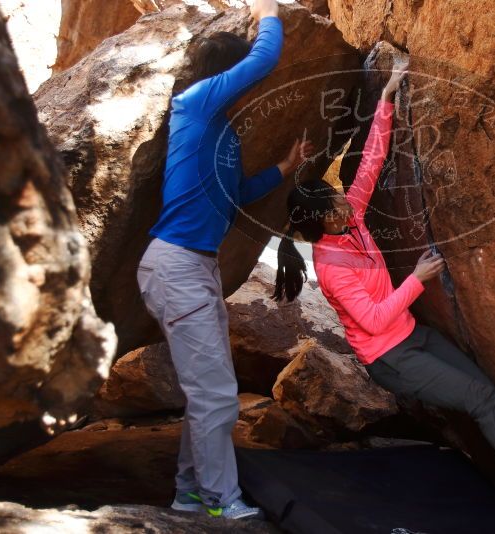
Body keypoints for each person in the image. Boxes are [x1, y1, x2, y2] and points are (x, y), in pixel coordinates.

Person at [272, 64, 495, 519]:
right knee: (482, 400)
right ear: (325, 221)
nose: (343, 198)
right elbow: (371, 320)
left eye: (336, 194)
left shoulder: (349, 219)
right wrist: (418, 278)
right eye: (334, 201)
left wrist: (388, 95)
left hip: (411, 334)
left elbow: (372, 160)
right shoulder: (332, 265)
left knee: (487, 392)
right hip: (390, 357)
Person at [137, 0, 312, 520]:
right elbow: (264, 60)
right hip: (175, 264)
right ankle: (219, 498)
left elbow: (234, 194)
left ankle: (190, 491)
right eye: (240, 78)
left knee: (209, 389)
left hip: (199, 266)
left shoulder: (225, 133)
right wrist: (268, 11)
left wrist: (285, 167)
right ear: (226, 74)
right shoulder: (194, 103)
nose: (250, 87)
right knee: (216, 391)